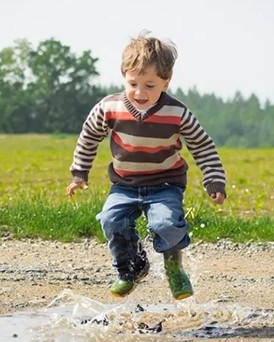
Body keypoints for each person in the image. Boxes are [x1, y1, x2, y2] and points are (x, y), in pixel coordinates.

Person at [66, 33, 227, 300]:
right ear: (123, 76)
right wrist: (79, 173)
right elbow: (88, 137)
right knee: (111, 220)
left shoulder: (178, 113)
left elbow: (203, 146)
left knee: (166, 224)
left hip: (165, 184)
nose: (140, 93)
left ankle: (174, 266)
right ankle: (132, 267)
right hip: (124, 184)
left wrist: (214, 181)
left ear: (166, 82)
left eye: (150, 85)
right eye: (133, 83)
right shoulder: (109, 107)